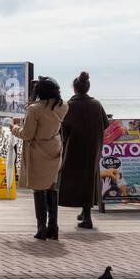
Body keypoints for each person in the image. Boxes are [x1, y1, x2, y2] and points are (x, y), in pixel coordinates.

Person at [11, 76, 67, 240]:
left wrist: (14, 128)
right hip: (55, 147)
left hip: (38, 150)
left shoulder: (34, 109)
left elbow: (27, 134)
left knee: (39, 188)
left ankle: (41, 228)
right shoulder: (63, 106)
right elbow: (47, 119)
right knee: (51, 186)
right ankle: (53, 227)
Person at [58, 71, 110, 229]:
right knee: (89, 178)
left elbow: (63, 129)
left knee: (72, 177)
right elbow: (106, 124)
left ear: (74, 89)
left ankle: (86, 217)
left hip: (74, 148)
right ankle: (85, 212)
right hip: (94, 147)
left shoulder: (70, 106)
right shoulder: (96, 104)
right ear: (87, 88)